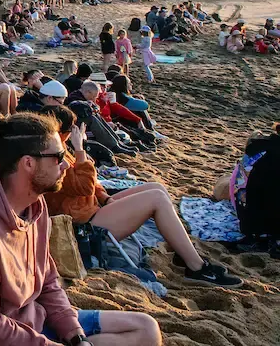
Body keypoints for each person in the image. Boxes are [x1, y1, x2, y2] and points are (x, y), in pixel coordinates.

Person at [0, 112, 162, 346]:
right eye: (58, 156)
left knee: (146, 329)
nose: (65, 164)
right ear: (29, 163)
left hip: (33, 320)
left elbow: (48, 281)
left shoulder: (34, 203)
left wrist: (75, 334)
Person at [42, 105, 242, 287]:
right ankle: (196, 267)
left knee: (157, 188)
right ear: (65, 132)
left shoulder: (59, 149)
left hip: (92, 208)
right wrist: (80, 150)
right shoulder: (53, 158)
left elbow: (93, 185)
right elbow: (84, 186)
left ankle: (182, 252)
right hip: (82, 225)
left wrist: (105, 198)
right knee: (156, 199)